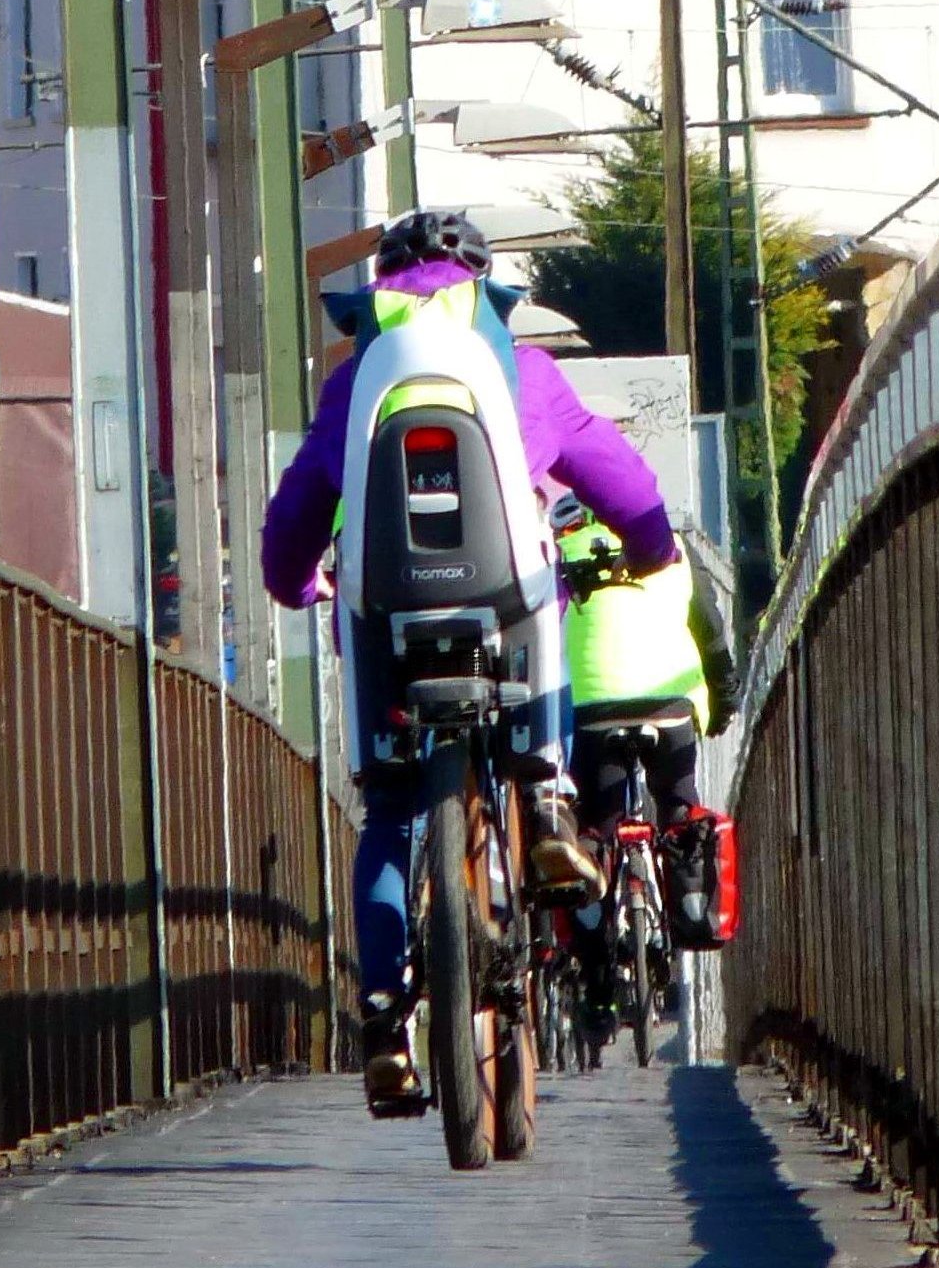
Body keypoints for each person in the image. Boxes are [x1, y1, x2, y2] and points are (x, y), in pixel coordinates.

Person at [259, 209, 680, 1105]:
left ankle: (385, 1021)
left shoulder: (354, 383)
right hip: (505, 598)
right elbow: (617, 475)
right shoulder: (523, 369)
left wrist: (296, 583)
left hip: (384, 613)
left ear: (380, 291)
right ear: (485, 288)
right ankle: (548, 803)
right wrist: (651, 547)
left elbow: (297, 510)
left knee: (389, 810)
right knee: (541, 606)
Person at [546, 493, 734, 1043]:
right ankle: (687, 912)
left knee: (595, 829)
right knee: (678, 808)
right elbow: (711, 634)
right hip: (670, 706)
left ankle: (598, 985)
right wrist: (722, 702)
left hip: (592, 710)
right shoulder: (669, 545)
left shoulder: (556, 553)